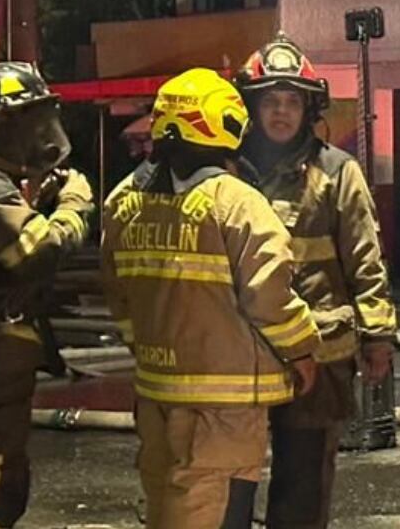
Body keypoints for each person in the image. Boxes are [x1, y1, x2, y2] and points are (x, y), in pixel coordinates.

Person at [100, 68, 321, 529]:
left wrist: (145, 350)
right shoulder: (236, 202)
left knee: (166, 508)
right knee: (215, 511)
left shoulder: (122, 201)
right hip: (224, 408)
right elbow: (270, 296)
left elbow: (119, 296)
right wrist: (302, 350)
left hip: (157, 393)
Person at [234, 34, 397, 529]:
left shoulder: (336, 172)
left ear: (308, 108)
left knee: (303, 484)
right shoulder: (226, 173)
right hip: (239, 353)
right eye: (270, 101)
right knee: (229, 476)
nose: (281, 113)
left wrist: (378, 336)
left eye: (291, 102)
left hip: (320, 353)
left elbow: (366, 260)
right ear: (251, 107)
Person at [0, 62, 95, 529]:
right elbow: (37, 252)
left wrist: (34, 204)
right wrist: (75, 205)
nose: (41, 135)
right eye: (31, 122)